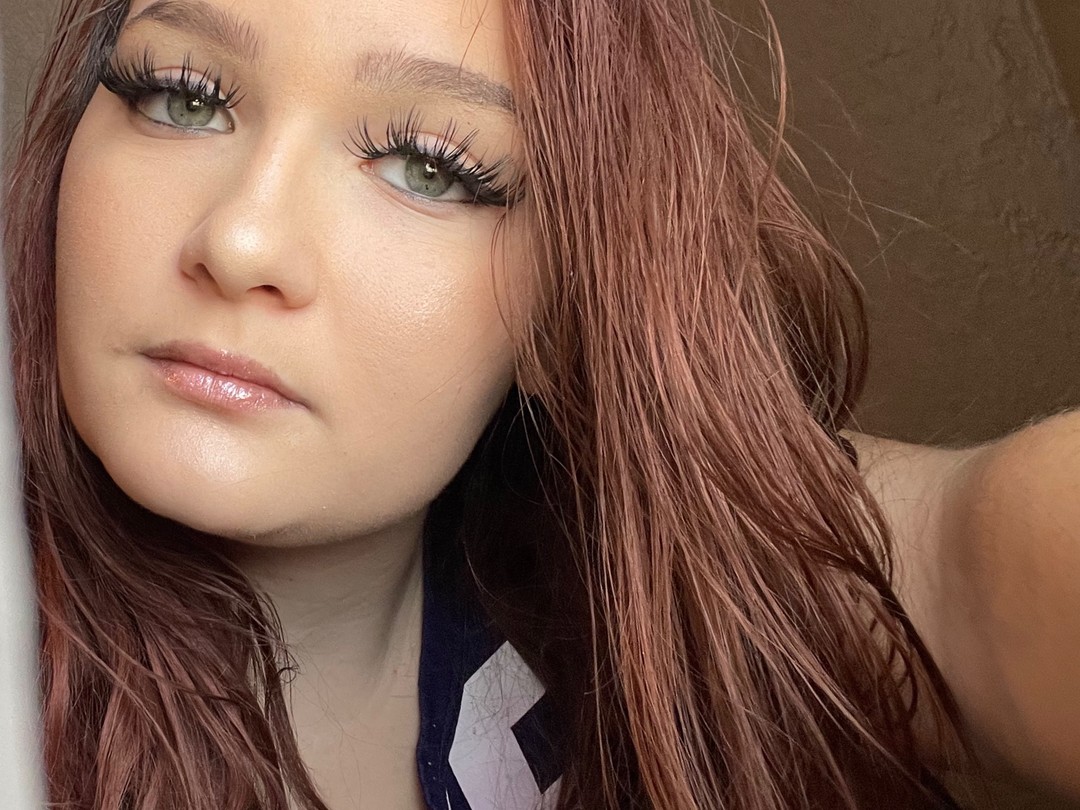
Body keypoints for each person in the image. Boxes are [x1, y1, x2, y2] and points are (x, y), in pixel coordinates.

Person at [3, 0, 1079, 808]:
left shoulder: (654, 579)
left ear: (562, 303)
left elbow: (969, 569)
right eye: (183, 96)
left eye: (429, 167)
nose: (241, 242)